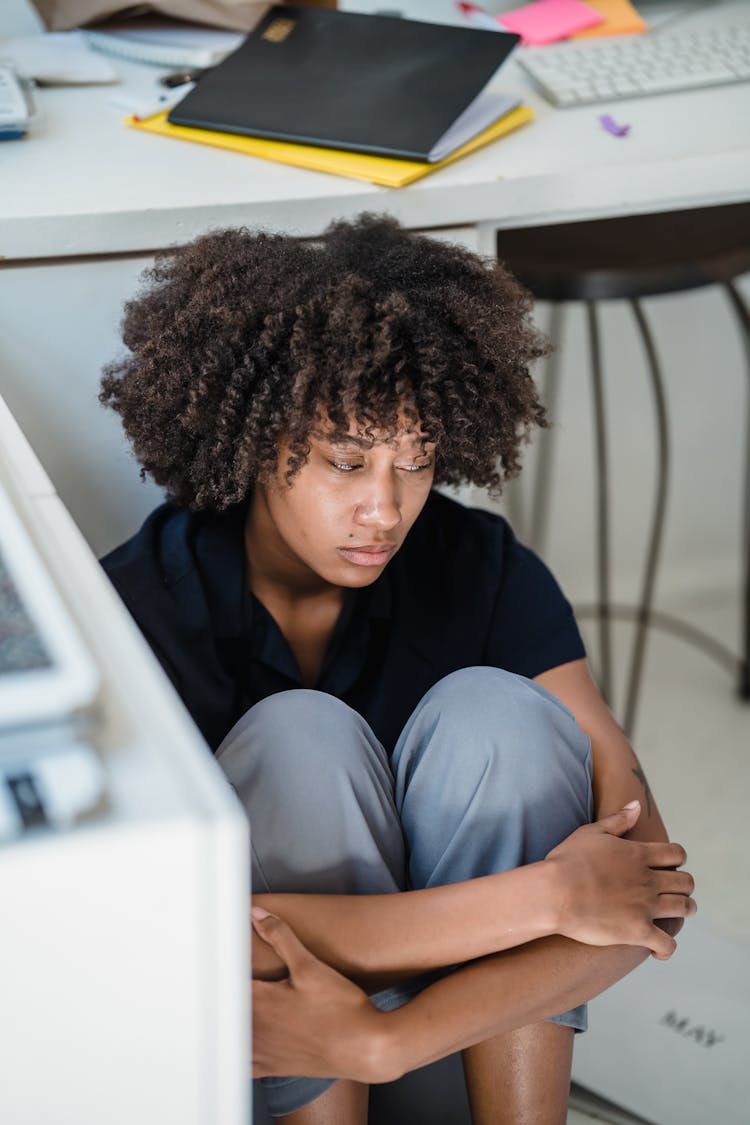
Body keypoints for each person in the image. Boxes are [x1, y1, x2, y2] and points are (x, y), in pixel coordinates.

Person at [99, 215, 695, 1125]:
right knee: (303, 737)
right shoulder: (142, 608)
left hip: (452, 1039)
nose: (384, 508)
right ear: (259, 442)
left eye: (415, 464)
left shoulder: (479, 566)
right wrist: (545, 895)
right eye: (346, 461)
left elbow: (647, 894)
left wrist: (389, 1040)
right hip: (252, 1051)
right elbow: (171, 935)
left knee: (502, 715)